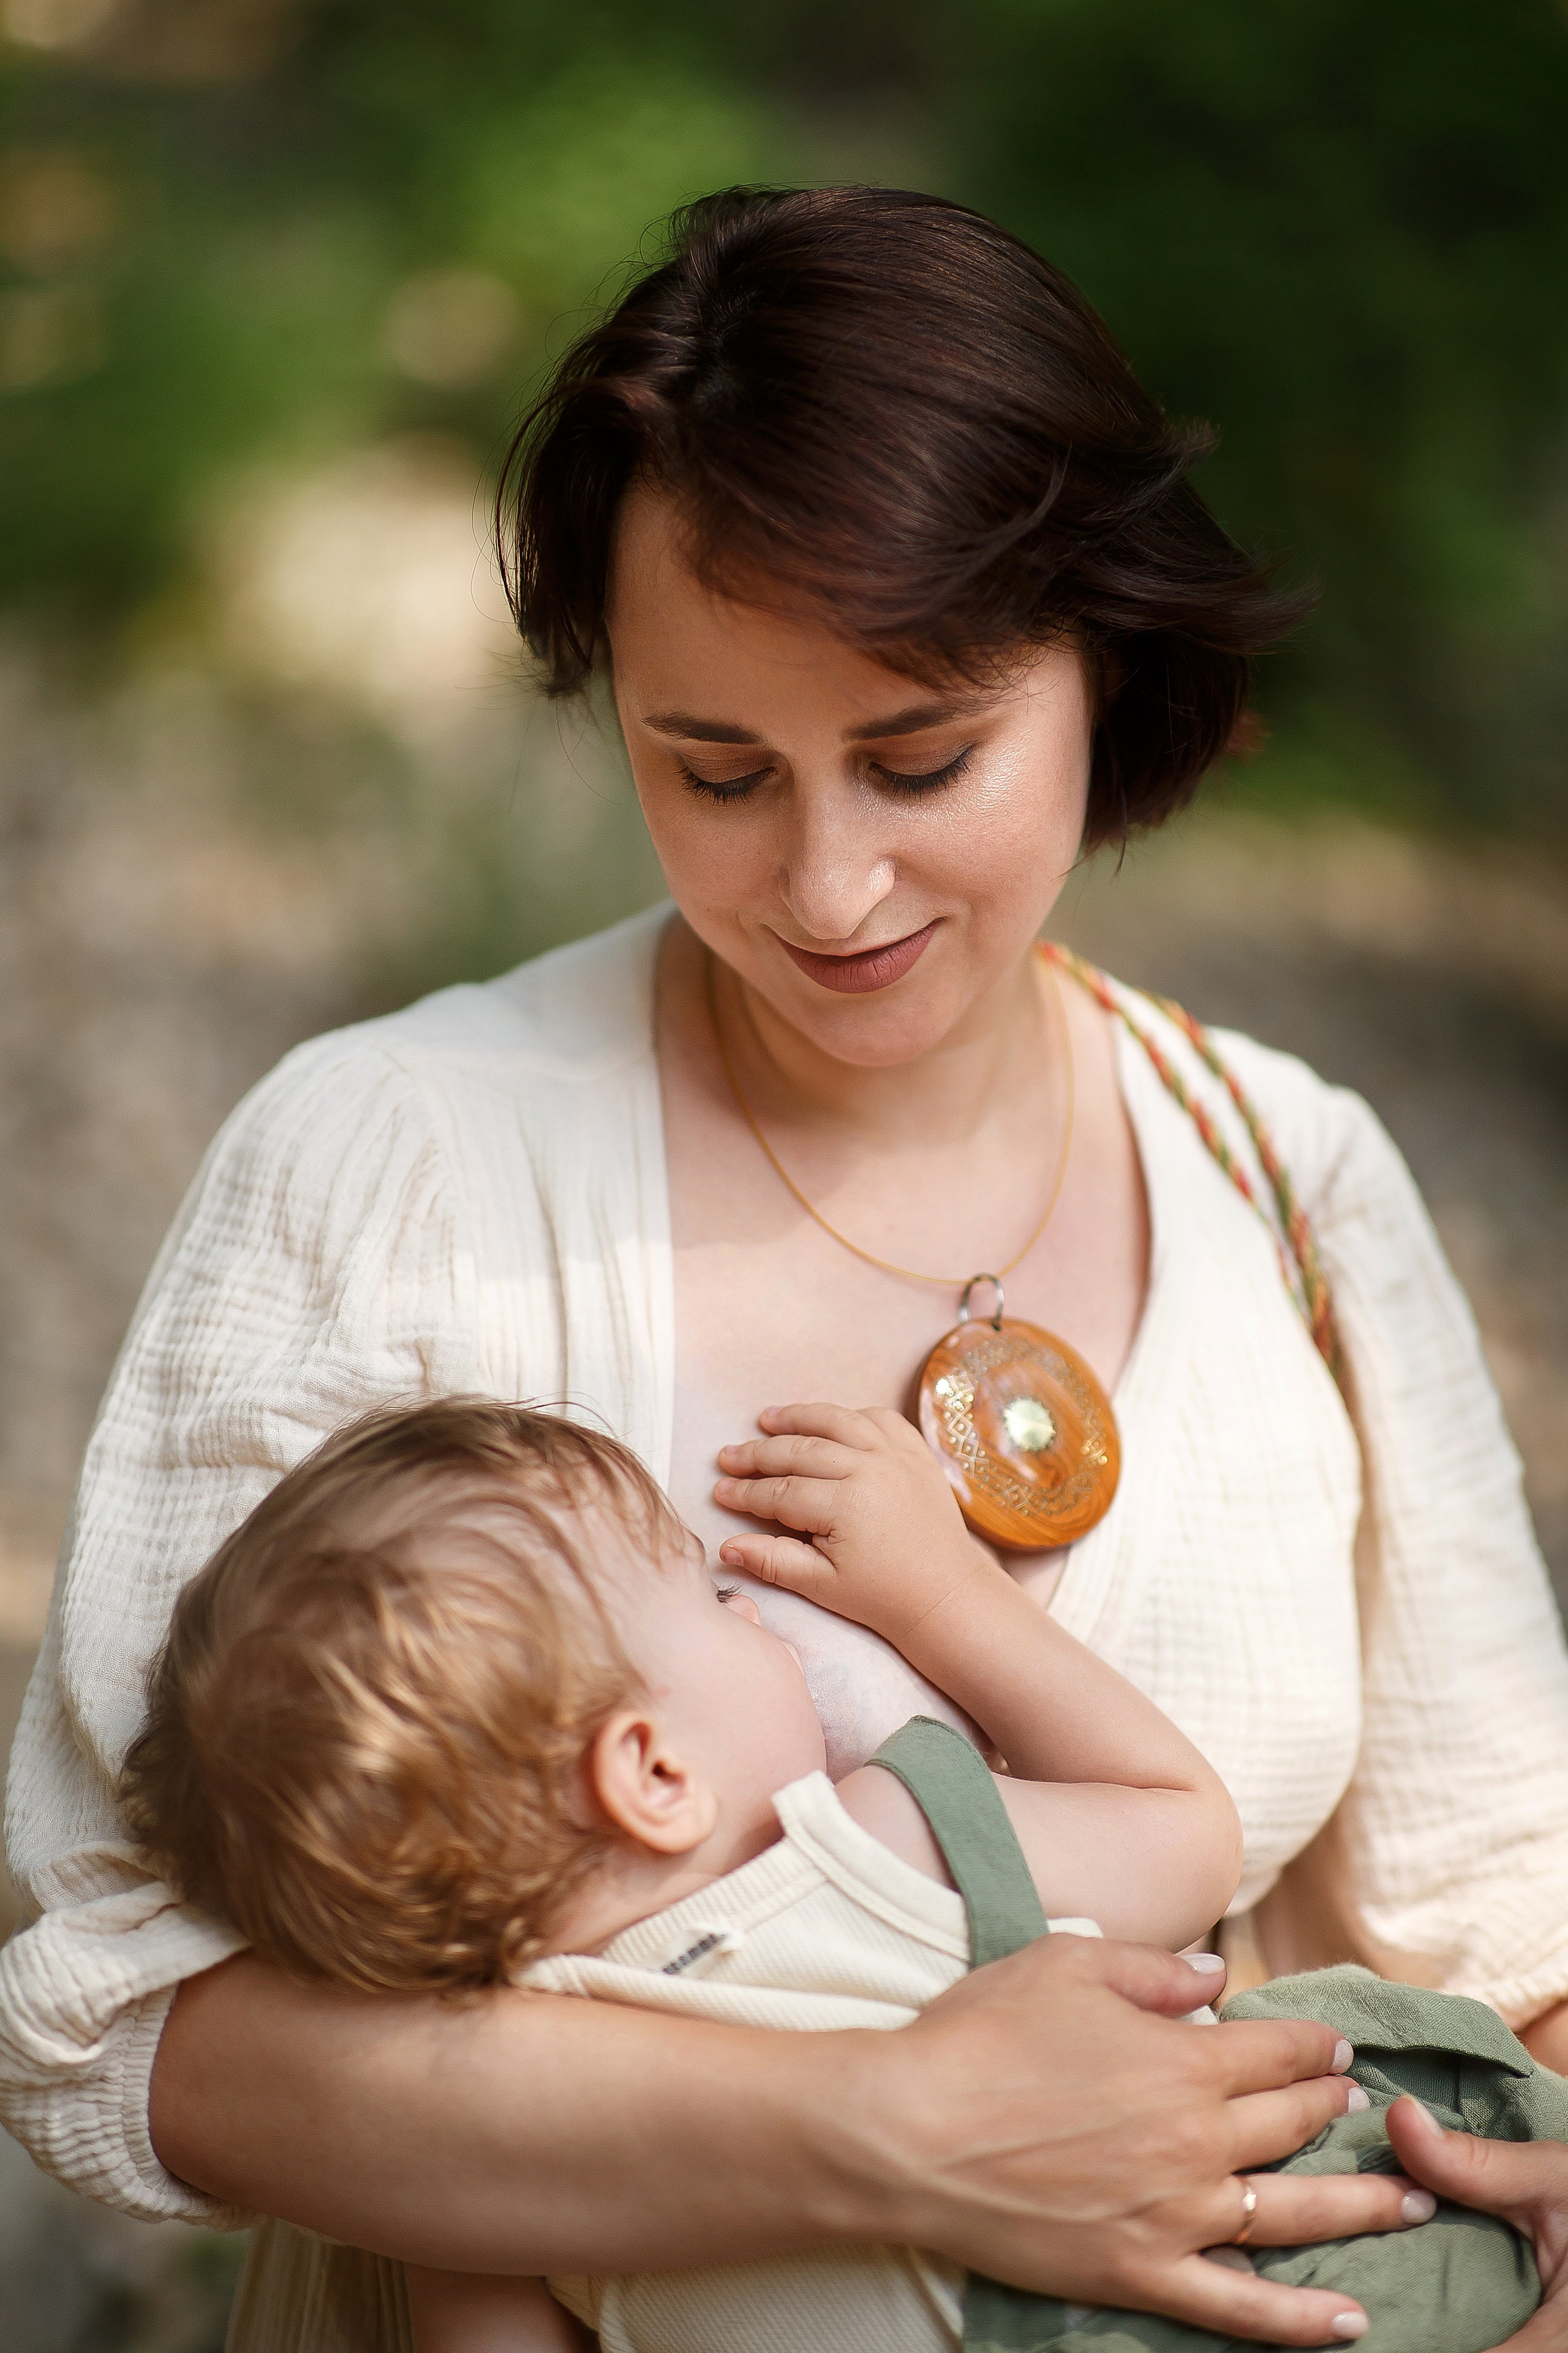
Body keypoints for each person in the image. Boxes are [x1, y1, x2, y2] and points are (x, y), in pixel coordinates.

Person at [4, 183, 1568, 2353]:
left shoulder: (1291, 1180)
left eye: (921, 758)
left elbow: (1514, 1918)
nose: (828, 883)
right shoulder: (385, 1161)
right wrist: (877, 2129)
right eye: (711, 769)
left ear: (1106, 668)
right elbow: (103, 2019)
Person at [119, 1396, 1566, 2353]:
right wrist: (942, 1596)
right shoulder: (872, 1842)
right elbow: (1183, 1828)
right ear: (653, 1774)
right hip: (1302, 2294)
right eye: (706, 1592)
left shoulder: (495, 2178)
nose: (751, 1604)